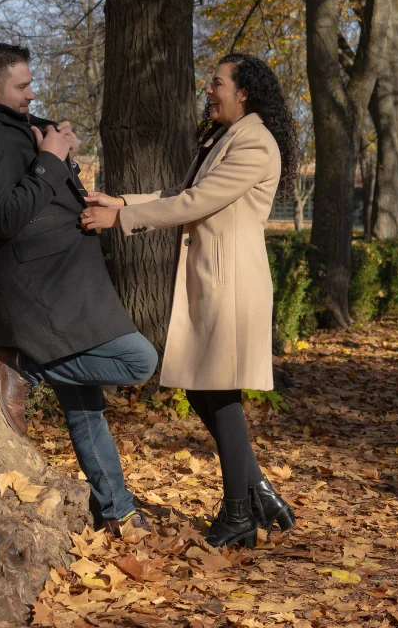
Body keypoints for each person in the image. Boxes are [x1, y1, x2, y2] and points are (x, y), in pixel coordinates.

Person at [81, 53, 298, 551]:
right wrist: (122, 203)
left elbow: (196, 204)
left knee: (218, 392)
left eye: (217, 83)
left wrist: (122, 222)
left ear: (243, 92)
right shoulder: (226, 137)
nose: (209, 90)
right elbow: (184, 191)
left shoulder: (256, 144)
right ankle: (258, 492)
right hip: (212, 278)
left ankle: (240, 512)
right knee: (205, 390)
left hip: (232, 285)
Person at [0, 43, 159, 534]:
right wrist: (48, 159)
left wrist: (62, 157)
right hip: (42, 291)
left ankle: (118, 511)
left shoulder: (20, 128)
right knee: (140, 361)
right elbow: (3, 215)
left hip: (68, 283)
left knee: (86, 409)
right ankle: (25, 364)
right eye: (21, 86)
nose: (31, 92)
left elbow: (40, 191)